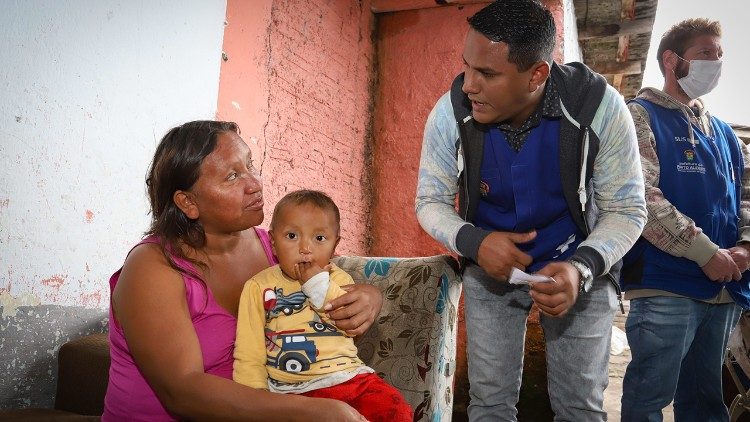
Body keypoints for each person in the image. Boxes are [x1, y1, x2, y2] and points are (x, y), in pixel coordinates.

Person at [415, 0, 646, 420]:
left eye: (487, 73)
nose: (468, 84)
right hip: (490, 265)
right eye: (467, 66)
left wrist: (583, 266)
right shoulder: (451, 111)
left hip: (578, 261)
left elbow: (627, 209)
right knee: (489, 402)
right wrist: (474, 241)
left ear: (537, 74)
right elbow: (429, 201)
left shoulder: (599, 107)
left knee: (579, 407)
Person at [102, 121, 383, 421]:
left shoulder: (275, 248)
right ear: (188, 202)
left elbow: (326, 288)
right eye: (232, 176)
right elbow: (182, 392)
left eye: (250, 164)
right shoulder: (153, 267)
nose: (255, 184)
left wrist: (369, 297)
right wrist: (316, 412)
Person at [620, 18, 750, 421]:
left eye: (720, 55)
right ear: (671, 61)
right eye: (705, 54)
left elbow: (744, 197)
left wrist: (745, 245)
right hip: (666, 285)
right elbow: (641, 197)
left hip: (726, 288)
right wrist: (705, 252)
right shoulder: (639, 116)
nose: (716, 63)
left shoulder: (725, 133)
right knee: (648, 401)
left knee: (706, 402)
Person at [233, 189, 412, 421]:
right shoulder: (258, 287)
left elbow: (345, 325)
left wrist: (317, 283)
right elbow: (249, 353)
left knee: (397, 409)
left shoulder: (339, 280)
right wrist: (254, 399)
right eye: (291, 236)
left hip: (348, 378)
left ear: (334, 245)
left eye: (319, 238)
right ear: (273, 242)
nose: (305, 248)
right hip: (291, 392)